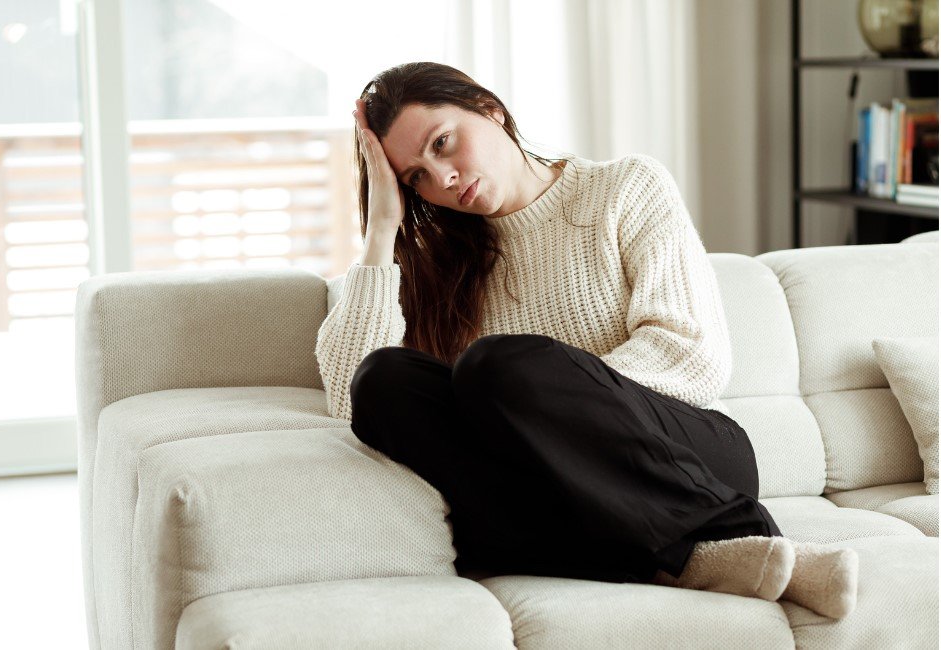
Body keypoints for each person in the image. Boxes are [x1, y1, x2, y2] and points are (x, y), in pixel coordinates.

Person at [315, 61, 858, 619]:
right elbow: (348, 396)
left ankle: (730, 530)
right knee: (385, 380)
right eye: (417, 177)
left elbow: (690, 353)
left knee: (497, 368)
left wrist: (549, 403)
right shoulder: (442, 266)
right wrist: (383, 226)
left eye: (444, 143)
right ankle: (692, 560)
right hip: (552, 488)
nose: (443, 178)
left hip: (684, 453)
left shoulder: (624, 188)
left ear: (489, 109)